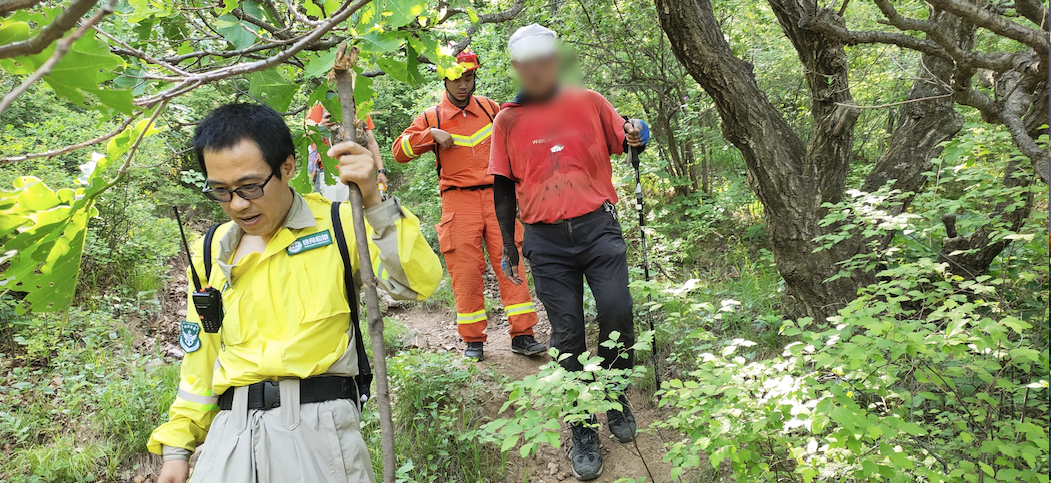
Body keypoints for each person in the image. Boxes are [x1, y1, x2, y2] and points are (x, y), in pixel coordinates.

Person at [150, 103, 442, 483]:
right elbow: (200, 361)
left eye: (251, 186)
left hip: (318, 436)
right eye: (221, 191)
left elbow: (416, 284)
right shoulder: (210, 250)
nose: (238, 204)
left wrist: (373, 201)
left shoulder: (339, 224)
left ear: (287, 167)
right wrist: (177, 449)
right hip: (228, 444)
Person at [487, 24, 650, 481]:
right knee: (568, 335)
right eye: (527, 62)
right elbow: (502, 188)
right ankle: (582, 427)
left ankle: (615, 398)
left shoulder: (590, 102)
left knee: (618, 311)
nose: (536, 69)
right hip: (545, 240)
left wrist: (641, 130)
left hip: (598, 228)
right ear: (518, 67)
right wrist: (507, 245)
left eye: (544, 59)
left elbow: (629, 137)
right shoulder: (507, 121)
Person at [392, 46, 547, 361]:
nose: (464, 84)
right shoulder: (431, 117)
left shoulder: (491, 109)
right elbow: (398, 153)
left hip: (497, 198)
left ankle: (523, 335)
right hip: (457, 203)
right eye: (457, 78)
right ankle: (473, 341)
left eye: (469, 77)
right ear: (445, 79)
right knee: (464, 271)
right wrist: (429, 135)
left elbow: (522, 140)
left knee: (510, 262)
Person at [306, 104, 389, 200]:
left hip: (360, 172)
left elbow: (371, 143)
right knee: (336, 212)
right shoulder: (320, 106)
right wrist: (321, 126)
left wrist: (381, 171)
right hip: (333, 174)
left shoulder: (360, 107)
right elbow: (307, 137)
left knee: (362, 212)